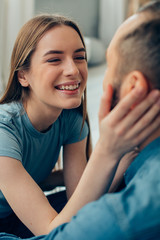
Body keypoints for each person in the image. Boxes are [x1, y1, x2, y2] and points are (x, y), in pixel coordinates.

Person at [0, 1, 160, 238]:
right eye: (55, 59)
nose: (73, 70)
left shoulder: (71, 119)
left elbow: (82, 195)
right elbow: (51, 232)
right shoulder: (4, 131)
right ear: (23, 75)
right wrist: (107, 150)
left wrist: (125, 153)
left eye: (79, 57)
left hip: (17, 215)